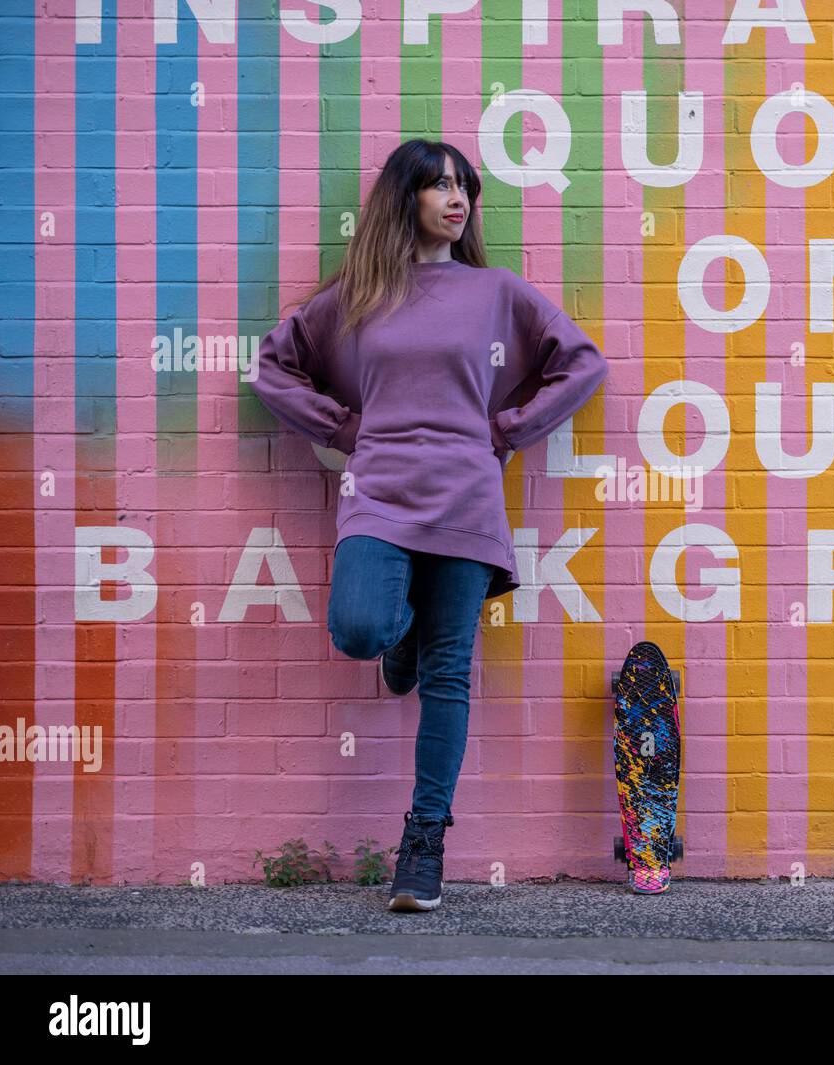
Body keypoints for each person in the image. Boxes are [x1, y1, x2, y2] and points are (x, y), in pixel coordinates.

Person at [249, 139, 610, 912]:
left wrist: (510, 429)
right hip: (378, 488)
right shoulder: (359, 296)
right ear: (403, 197)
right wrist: (343, 426)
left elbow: (582, 363)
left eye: (464, 187)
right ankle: (398, 644)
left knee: (449, 674)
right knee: (359, 626)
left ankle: (424, 842)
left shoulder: (496, 292)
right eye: (439, 184)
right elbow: (272, 366)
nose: (458, 199)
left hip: (468, 497)